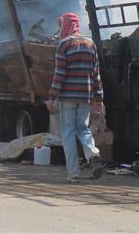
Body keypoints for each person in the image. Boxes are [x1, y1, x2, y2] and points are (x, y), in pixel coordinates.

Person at [45, 12, 105, 183]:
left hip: (68, 96)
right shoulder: (90, 44)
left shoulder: (63, 45)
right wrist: (98, 98)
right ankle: (92, 153)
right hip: (86, 96)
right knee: (83, 128)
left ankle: (74, 173)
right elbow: (96, 74)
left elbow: (59, 74)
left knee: (68, 133)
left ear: (65, 25)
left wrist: (51, 97)